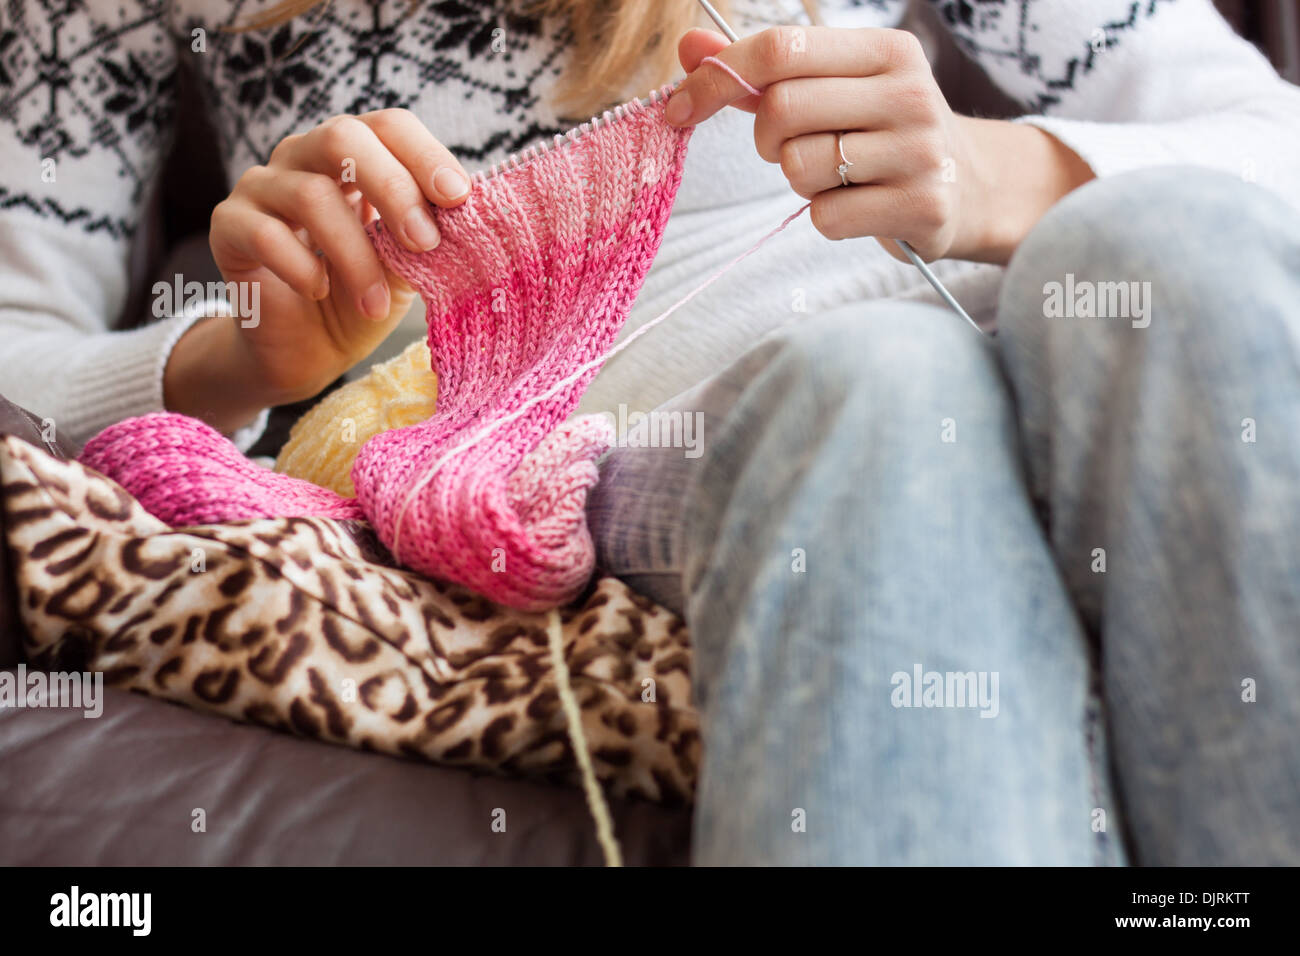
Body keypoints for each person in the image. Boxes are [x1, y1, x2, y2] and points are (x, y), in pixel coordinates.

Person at [1, 0, 1297, 864]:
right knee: (888, 389)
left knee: (1172, 246)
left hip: (1046, 347)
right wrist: (240, 357)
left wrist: (994, 169)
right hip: (667, 433)